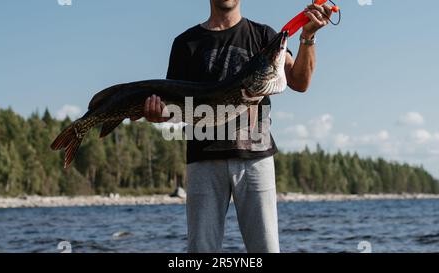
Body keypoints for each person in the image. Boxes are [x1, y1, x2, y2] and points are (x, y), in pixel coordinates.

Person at [132, 0, 332, 253]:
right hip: (202, 160)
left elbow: (300, 82)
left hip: (256, 158)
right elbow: (175, 107)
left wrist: (308, 37)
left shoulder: (264, 36)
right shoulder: (186, 43)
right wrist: (158, 113)